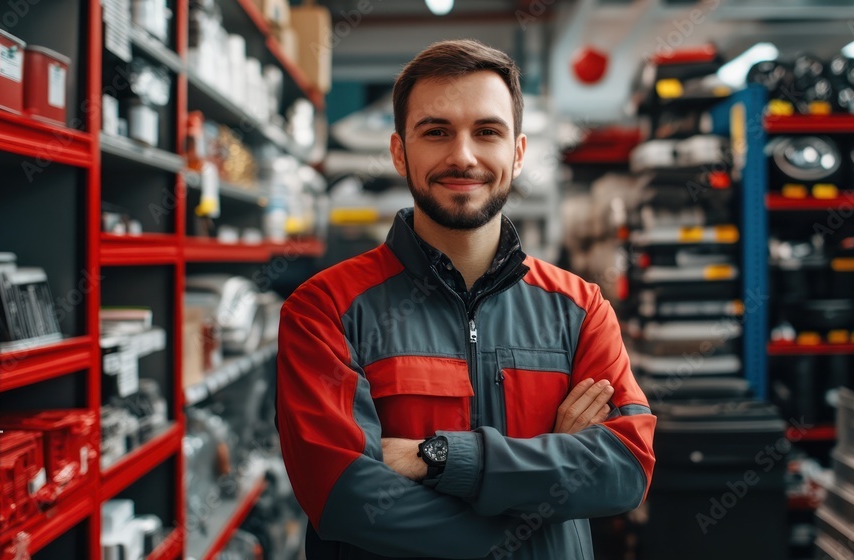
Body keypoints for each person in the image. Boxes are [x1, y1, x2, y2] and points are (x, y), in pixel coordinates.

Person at [277, 39, 656, 559]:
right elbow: (344, 496)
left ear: (518, 153)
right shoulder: (325, 308)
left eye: (487, 132)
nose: (463, 156)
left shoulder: (580, 309)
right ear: (398, 151)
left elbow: (623, 471)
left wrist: (438, 458)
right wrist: (544, 510)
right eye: (436, 132)